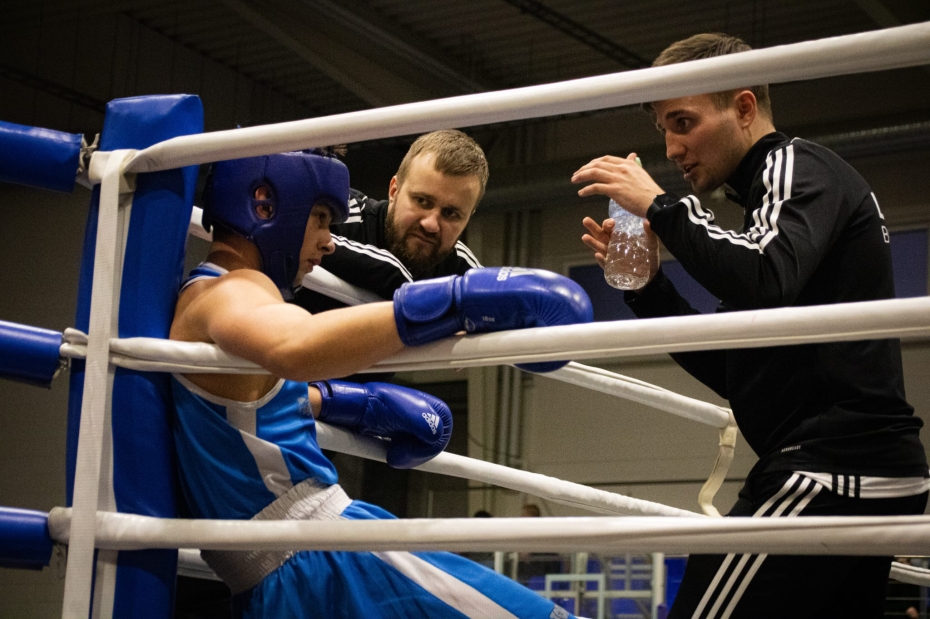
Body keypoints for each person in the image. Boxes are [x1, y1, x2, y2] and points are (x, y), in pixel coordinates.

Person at [572, 33, 929, 618]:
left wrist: (663, 207)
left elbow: (767, 274)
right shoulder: (767, 217)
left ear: (743, 108)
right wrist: (646, 288)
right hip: (856, 472)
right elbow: (735, 369)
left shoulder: (797, 166)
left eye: (683, 121)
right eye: (664, 128)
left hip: (832, 469)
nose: (672, 147)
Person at [169, 148, 591, 618]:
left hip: (279, 577)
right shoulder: (230, 291)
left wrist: (355, 404)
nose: (330, 242)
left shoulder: (211, 295)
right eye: (321, 219)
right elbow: (297, 342)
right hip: (326, 554)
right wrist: (460, 302)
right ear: (267, 208)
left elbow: (243, 408)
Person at [291, 129, 485, 314]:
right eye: (422, 201)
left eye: (451, 213)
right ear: (394, 191)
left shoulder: (462, 270)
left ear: (469, 217)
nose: (431, 224)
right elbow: (286, 230)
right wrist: (393, 275)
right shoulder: (341, 212)